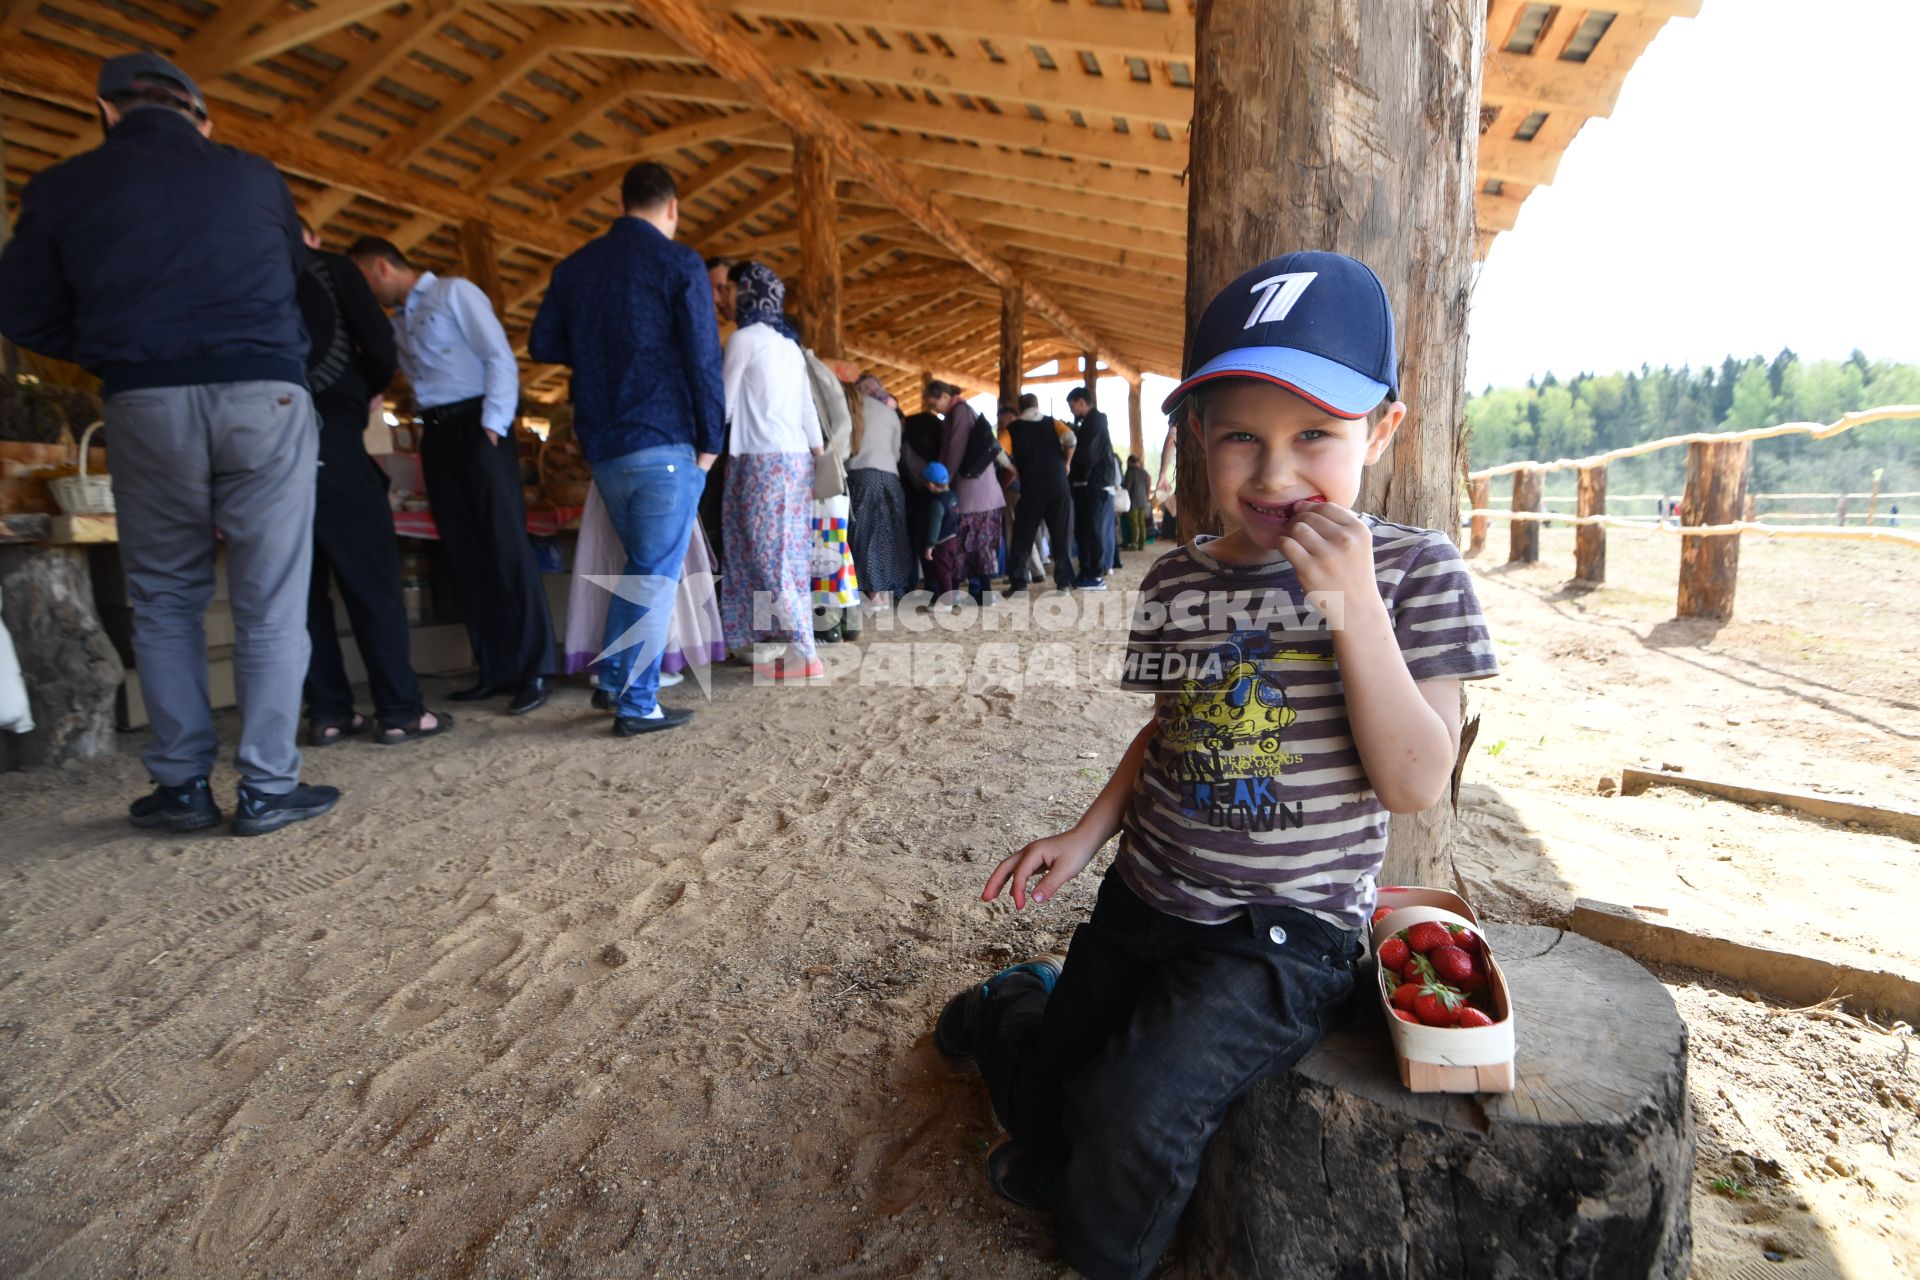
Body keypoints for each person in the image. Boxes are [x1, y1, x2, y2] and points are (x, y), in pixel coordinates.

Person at [931, 250, 1499, 1280]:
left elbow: (1414, 780)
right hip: (1146, 890)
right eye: (1242, 435)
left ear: (1383, 429)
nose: (1276, 475)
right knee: (1052, 1082)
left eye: (1316, 435)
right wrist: (1085, 833)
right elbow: (1172, 729)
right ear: (1196, 434)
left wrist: (1353, 609)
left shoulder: (1417, 574)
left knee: (1128, 1110)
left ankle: (1103, 1253)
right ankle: (1017, 1006)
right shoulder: (1179, 576)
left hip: (1283, 932)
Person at [0, 52, 338, 836]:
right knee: (271, 598)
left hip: (146, 399)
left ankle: (183, 786)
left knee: (163, 599)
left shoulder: (62, 187)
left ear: (107, 112)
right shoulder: (255, 176)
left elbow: (20, 310)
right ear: (201, 117)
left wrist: (112, 351)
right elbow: (297, 278)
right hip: (265, 388)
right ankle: (267, 785)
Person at [529, 161, 723, 736]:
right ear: (672, 208)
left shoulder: (575, 269)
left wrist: (596, 346)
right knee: (654, 573)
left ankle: (614, 681)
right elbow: (702, 359)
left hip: (603, 443)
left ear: (621, 204)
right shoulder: (678, 263)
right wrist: (712, 441)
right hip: (663, 437)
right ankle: (638, 703)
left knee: (641, 568)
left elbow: (543, 342)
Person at [350, 235, 554, 716]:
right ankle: (496, 668)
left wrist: (493, 426)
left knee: (506, 546)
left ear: (381, 267)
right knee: (464, 552)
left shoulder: (453, 292)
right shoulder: (397, 323)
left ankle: (535, 669)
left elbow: (498, 356)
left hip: (478, 425)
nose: (366, 293)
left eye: (362, 280)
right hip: (436, 433)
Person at [293, 222, 448, 748]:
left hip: (264, 451)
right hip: (331, 436)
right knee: (372, 581)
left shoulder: (237, 276)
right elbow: (380, 345)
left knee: (301, 592)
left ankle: (330, 711)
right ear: (308, 238)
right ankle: (400, 709)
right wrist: (357, 391)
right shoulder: (329, 268)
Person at [717, 262, 825, 682]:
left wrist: (702, 450)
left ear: (746, 295)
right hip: (796, 462)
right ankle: (788, 646)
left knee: (765, 554)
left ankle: (805, 651)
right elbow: (807, 413)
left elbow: (723, 406)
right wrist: (818, 456)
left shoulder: (742, 340)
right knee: (785, 554)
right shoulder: (789, 347)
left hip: (760, 460)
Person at [845, 373, 914, 604]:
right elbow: (896, 452)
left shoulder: (852, 406)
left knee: (864, 534)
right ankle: (887, 592)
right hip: (891, 477)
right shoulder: (890, 413)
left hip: (861, 474)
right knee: (889, 535)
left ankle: (872, 595)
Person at [936, 386, 1008, 602]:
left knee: (960, 544)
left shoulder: (958, 412)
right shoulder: (967, 410)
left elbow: (955, 448)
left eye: (935, 402)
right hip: (987, 493)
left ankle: (956, 594)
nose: (936, 409)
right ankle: (984, 594)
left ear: (945, 396)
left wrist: (943, 479)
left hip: (970, 492)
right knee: (983, 546)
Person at [1000, 392, 1077, 593]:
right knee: (1061, 535)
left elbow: (998, 451)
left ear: (1019, 408)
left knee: (1022, 536)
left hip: (1032, 486)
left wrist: (1013, 469)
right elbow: (1071, 438)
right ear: (1037, 405)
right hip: (1058, 483)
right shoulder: (1053, 423)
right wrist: (1067, 463)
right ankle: (1064, 583)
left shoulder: (1012, 428)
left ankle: (1018, 584)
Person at [899, 384, 951, 594]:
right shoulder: (927, 425)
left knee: (925, 537)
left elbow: (907, 468)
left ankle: (930, 585)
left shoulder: (911, 431)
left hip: (922, 493)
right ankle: (940, 585)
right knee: (942, 538)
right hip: (936, 488)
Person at [1065, 385, 1117, 590]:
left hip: (1094, 485)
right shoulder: (1088, 422)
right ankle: (1086, 571)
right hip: (1086, 485)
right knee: (1084, 531)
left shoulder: (1096, 421)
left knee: (1093, 531)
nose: (1072, 411)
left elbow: (1087, 455)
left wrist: (1069, 458)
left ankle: (1097, 576)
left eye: (1072, 406)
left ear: (1081, 402)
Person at [920, 462, 963, 598]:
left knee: (943, 572)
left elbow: (935, 526)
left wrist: (929, 546)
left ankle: (946, 602)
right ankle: (954, 596)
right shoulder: (953, 497)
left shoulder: (936, 503)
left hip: (941, 544)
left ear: (931, 484)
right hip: (954, 539)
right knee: (952, 570)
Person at [1122, 454, 1153, 549]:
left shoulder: (1130, 472)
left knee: (1135, 523)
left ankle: (1134, 544)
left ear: (1130, 462)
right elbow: (1148, 488)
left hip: (1133, 501)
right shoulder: (1145, 473)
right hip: (1143, 500)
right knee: (1142, 523)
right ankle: (1142, 544)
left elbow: (1127, 487)